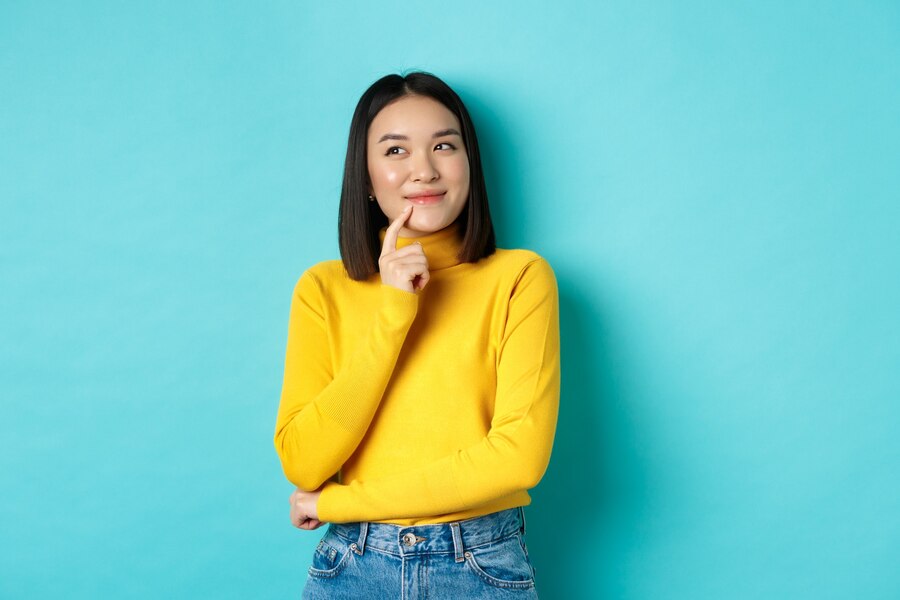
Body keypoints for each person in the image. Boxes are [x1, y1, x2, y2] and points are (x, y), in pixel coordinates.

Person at [273, 71, 560, 598]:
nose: (424, 170)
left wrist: (339, 502)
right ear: (365, 177)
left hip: (479, 566)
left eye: (444, 146)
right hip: (353, 567)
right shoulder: (322, 289)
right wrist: (394, 313)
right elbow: (303, 460)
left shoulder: (520, 278)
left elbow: (518, 458)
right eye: (396, 150)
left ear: (469, 163)